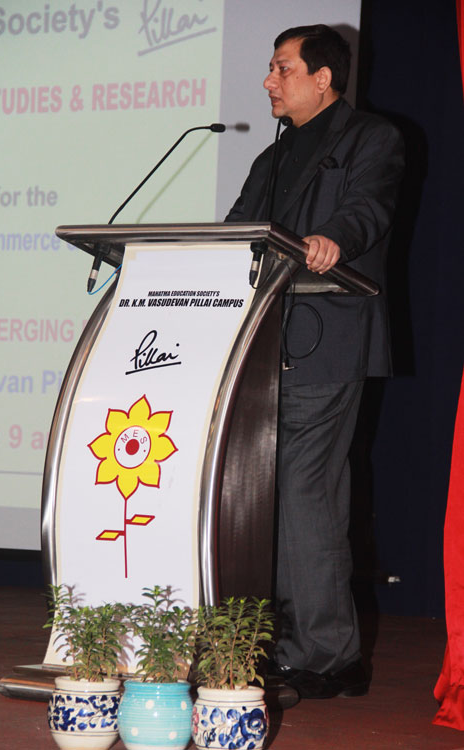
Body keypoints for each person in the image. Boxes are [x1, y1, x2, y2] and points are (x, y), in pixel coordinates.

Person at [226, 24, 405, 699]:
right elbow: (237, 230)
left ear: (323, 78)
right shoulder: (272, 157)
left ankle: (330, 654)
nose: (269, 81)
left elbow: (367, 211)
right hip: (259, 344)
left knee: (306, 495)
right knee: (263, 500)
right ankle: (284, 643)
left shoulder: (371, 139)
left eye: (283, 68)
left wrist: (333, 239)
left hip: (325, 340)